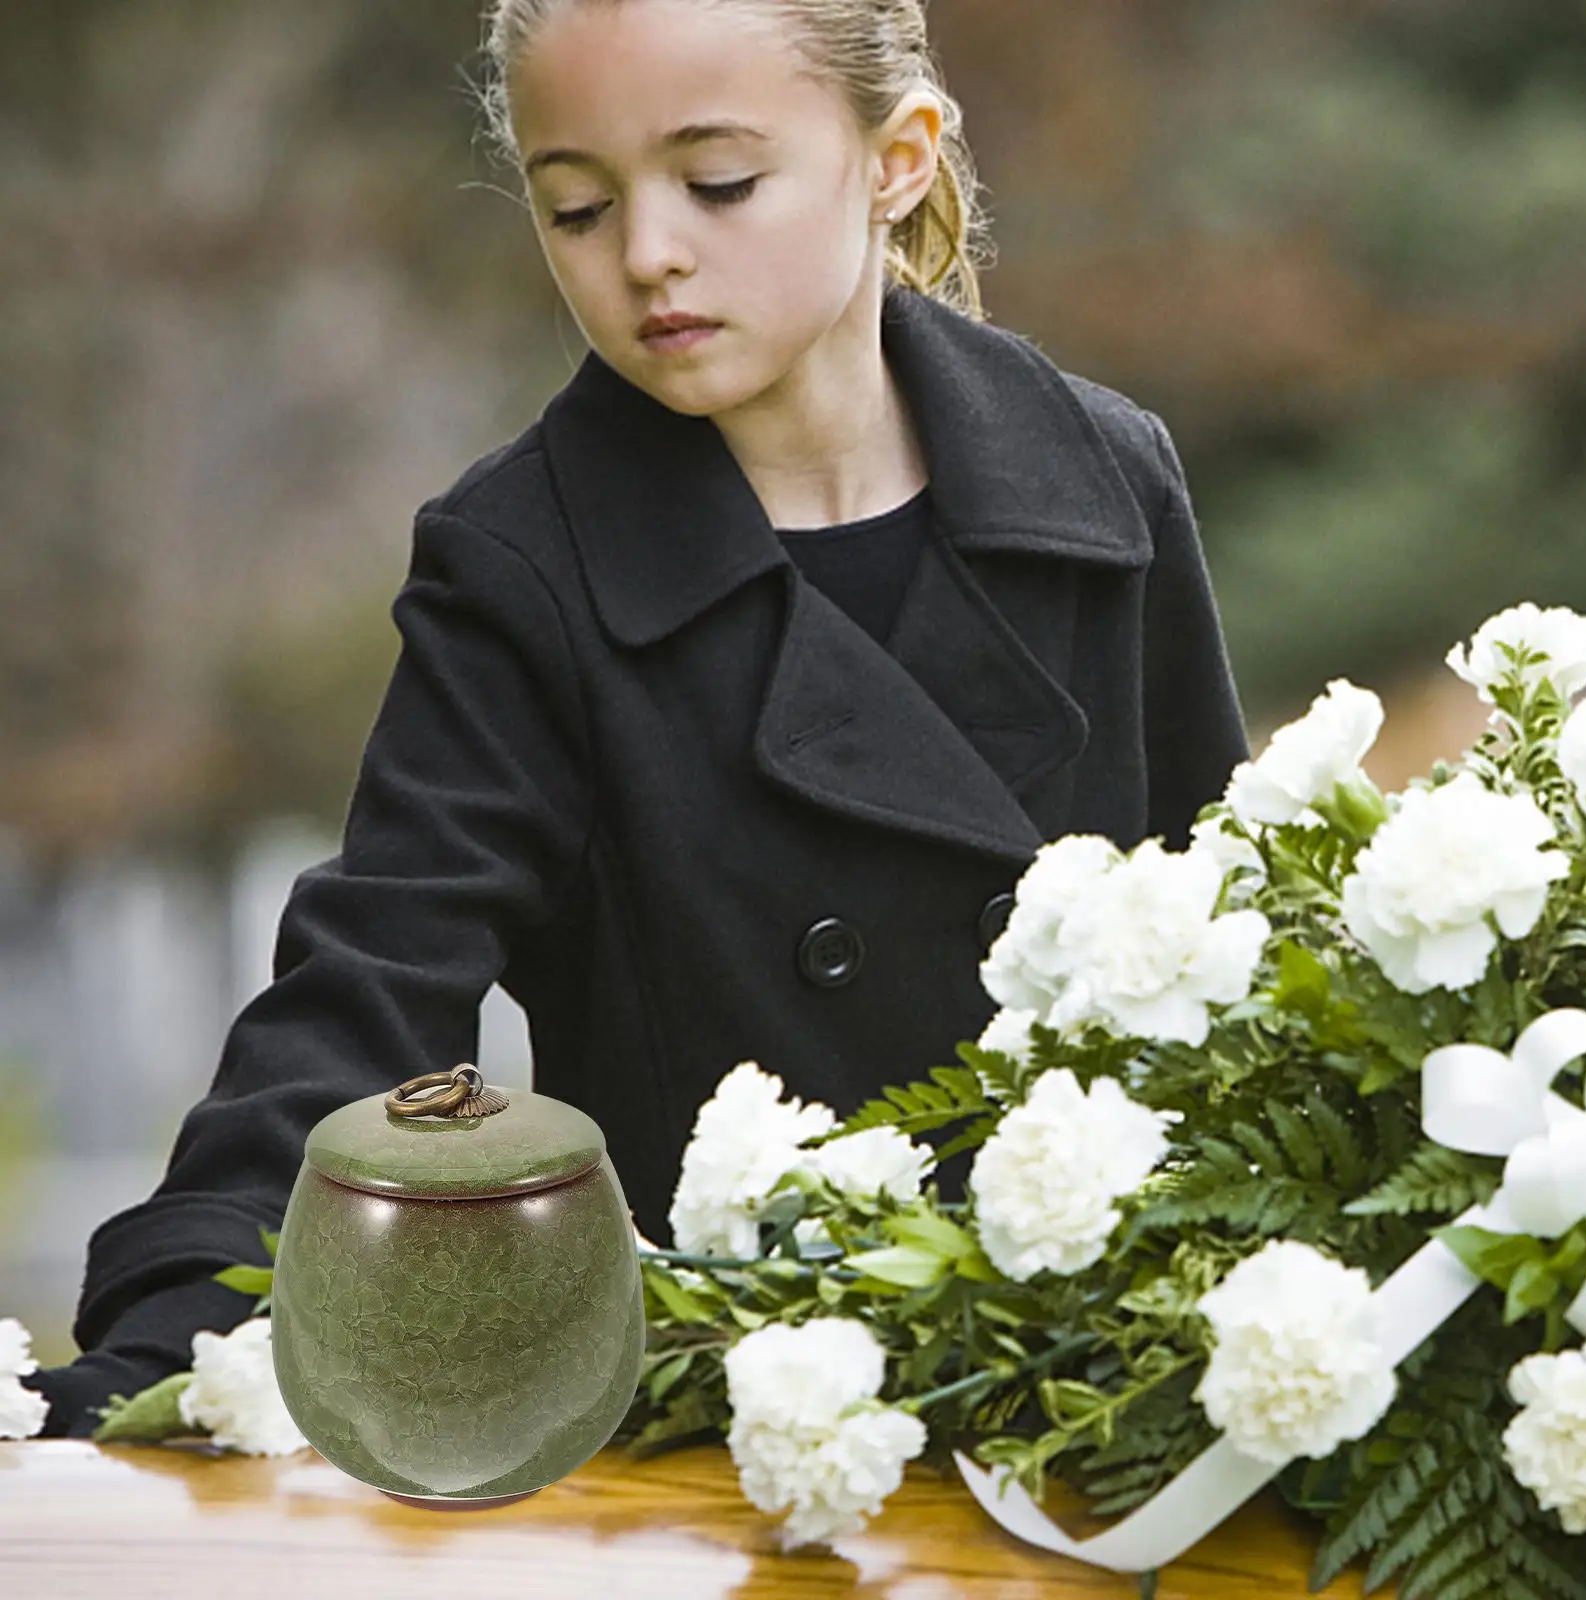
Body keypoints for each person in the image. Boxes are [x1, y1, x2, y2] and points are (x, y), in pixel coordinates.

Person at [23, 0, 1248, 1439]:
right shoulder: (525, 564)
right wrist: (165, 1340)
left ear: (898, 157)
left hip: (1117, 1416)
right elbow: (371, 984)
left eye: (718, 184)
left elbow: (1233, 953)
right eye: (577, 207)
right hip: (744, 1443)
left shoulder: (1105, 484)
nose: (647, 254)